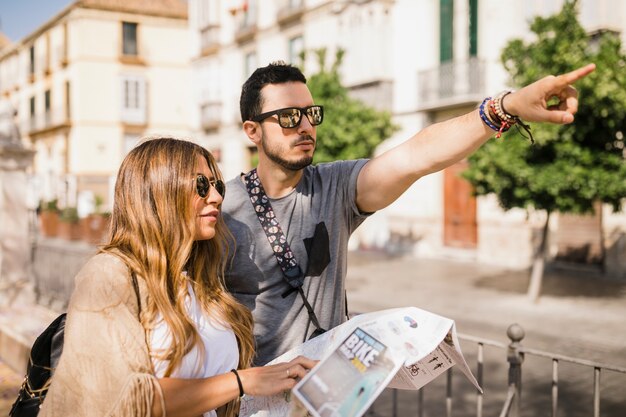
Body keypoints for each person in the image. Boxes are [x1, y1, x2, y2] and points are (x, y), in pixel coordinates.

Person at [222, 60, 596, 366]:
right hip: (256, 401)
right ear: (252, 131)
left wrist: (505, 107)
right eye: (288, 117)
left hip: (331, 397)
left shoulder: (334, 187)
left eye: (310, 114)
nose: (305, 126)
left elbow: (418, 155)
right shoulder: (219, 210)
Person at [40, 137, 315, 417]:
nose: (217, 196)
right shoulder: (108, 274)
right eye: (201, 185)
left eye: (216, 185)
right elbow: (121, 400)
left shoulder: (199, 281)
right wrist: (244, 381)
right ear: (159, 192)